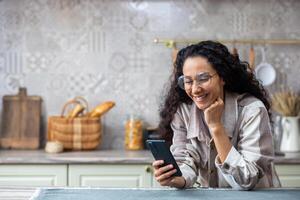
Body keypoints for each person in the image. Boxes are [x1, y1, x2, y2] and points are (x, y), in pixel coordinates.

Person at [153, 41, 281, 190]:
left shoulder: (251, 110)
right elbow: (185, 161)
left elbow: (248, 179)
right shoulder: (183, 111)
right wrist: (176, 179)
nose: (195, 89)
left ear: (222, 77)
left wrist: (216, 127)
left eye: (203, 78)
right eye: (188, 81)